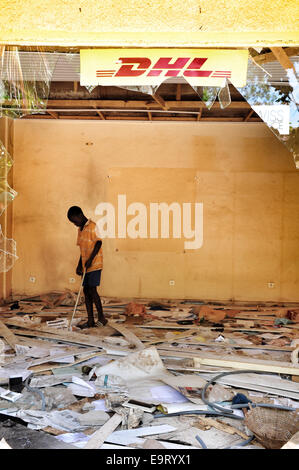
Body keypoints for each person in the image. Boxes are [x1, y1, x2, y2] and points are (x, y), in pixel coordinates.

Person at [67, 206, 107, 328]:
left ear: (80, 215)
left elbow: (99, 242)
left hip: (95, 264)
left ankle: (101, 317)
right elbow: (82, 250)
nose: (74, 224)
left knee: (92, 290)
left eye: (74, 221)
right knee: (86, 291)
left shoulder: (93, 226)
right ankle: (90, 320)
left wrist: (90, 259)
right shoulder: (80, 230)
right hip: (86, 265)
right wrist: (79, 265)